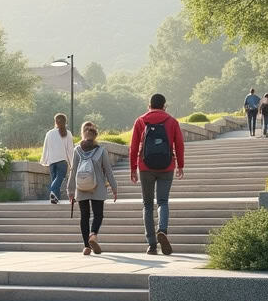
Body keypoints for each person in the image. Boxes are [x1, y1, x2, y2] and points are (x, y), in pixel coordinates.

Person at [129, 94, 185, 255]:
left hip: (145, 166)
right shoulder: (172, 121)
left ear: (149, 105)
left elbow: (133, 147)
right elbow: (179, 145)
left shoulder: (140, 120)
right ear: (164, 105)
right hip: (167, 166)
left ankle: (152, 245)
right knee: (163, 202)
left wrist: (133, 168)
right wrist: (180, 165)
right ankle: (162, 230)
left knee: (147, 205)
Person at [68, 122, 118, 256]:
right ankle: (93, 234)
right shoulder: (101, 150)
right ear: (96, 135)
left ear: (83, 134)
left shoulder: (77, 150)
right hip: (98, 187)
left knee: (84, 216)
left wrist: (70, 191)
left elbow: (73, 172)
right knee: (98, 215)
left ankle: (86, 247)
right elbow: (108, 171)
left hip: (81, 187)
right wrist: (114, 188)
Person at [40, 113, 74, 204]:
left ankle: (55, 199)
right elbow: (70, 150)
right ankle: (52, 192)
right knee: (59, 179)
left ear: (55, 121)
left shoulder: (49, 133)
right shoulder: (68, 133)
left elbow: (45, 148)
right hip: (62, 161)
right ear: (65, 122)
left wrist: (44, 160)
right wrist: (72, 163)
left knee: (55, 179)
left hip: (52, 162)